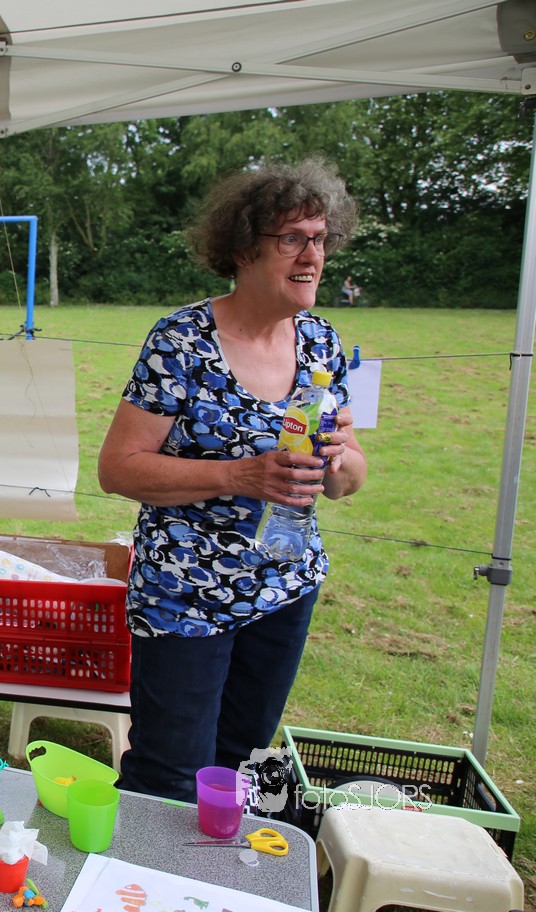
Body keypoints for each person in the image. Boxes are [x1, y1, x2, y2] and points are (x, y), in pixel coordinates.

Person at [96, 158, 368, 804]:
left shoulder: (322, 343)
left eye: (321, 238)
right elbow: (118, 467)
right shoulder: (182, 341)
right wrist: (241, 475)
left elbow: (350, 474)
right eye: (292, 239)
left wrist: (337, 461)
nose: (312, 256)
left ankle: (209, 870)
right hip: (185, 597)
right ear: (244, 249)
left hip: (284, 589)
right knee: (169, 777)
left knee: (237, 770)